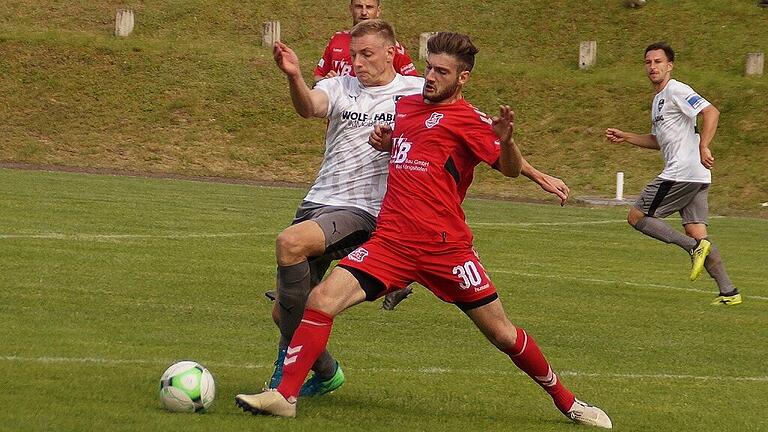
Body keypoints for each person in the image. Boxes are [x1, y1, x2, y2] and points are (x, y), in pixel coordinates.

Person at [237, 31, 612, 429]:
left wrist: (508, 143)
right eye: (429, 67)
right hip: (392, 242)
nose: (430, 76)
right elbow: (415, 146)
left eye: (441, 71)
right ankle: (285, 396)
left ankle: (568, 401)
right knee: (321, 300)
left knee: (502, 334)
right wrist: (388, 143)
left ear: (462, 78)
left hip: (446, 250)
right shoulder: (407, 106)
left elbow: (507, 167)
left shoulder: (471, 121)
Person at [264, 19, 425, 399]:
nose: (358, 62)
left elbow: (460, 126)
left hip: (362, 209)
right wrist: (294, 77)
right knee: (284, 313)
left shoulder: (415, 92)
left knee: (289, 242)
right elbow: (310, 107)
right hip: (317, 201)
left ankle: (284, 375)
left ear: (392, 51)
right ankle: (327, 372)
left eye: (367, 54)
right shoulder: (339, 85)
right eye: (353, 55)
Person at [605, 42, 741, 306]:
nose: (652, 67)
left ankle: (693, 249)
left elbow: (711, 112)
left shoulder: (677, 89)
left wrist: (704, 145)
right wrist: (626, 137)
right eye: (648, 62)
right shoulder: (658, 100)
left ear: (670, 65)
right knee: (697, 232)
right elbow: (658, 140)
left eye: (658, 62)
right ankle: (729, 292)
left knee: (636, 217)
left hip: (682, 171)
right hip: (696, 176)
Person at [313, 0, 418, 83]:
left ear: (378, 11)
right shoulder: (337, 39)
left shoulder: (390, 46)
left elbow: (413, 83)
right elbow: (317, 77)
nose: (364, 12)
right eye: (359, 6)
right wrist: (326, 83)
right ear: (351, 9)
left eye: (369, 7)